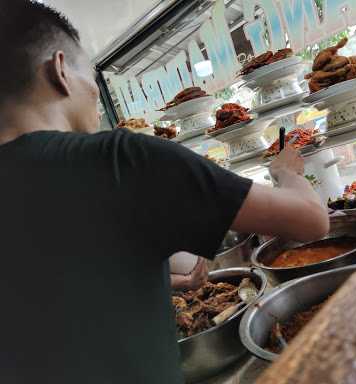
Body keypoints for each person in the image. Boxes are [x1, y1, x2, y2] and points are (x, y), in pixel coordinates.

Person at [0, 2, 329, 384]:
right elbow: (312, 221)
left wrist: (170, 280)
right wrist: (285, 172)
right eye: (89, 76)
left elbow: (63, 290)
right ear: (60, 71)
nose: (95, 97)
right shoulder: (119, 159)